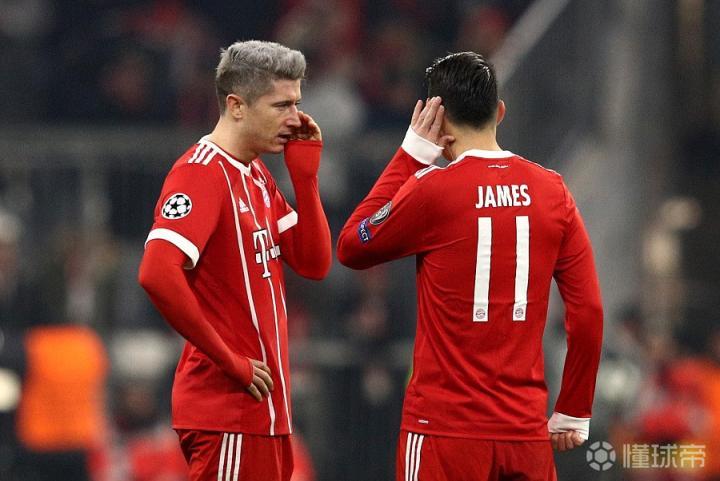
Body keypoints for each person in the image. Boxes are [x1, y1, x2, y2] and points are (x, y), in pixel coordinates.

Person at [337, 52, 603, 480]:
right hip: (524, 435)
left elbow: (352, 246)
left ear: (435, 118)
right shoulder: (553, 191)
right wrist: (573, 408)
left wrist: (410, 155)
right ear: (500, 112)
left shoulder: (431, 191)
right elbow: (587, 311)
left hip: (444, 432)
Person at [138, 40, 332, 481]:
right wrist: (230, 360)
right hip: (227, 410)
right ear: (236, 105)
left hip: (265, 412)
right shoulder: (201, 172)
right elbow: (156, 273)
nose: (295, 118)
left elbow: (314, 264)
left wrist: (305, 178)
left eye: (297, 104)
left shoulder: (256, 173)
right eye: (281, 105)